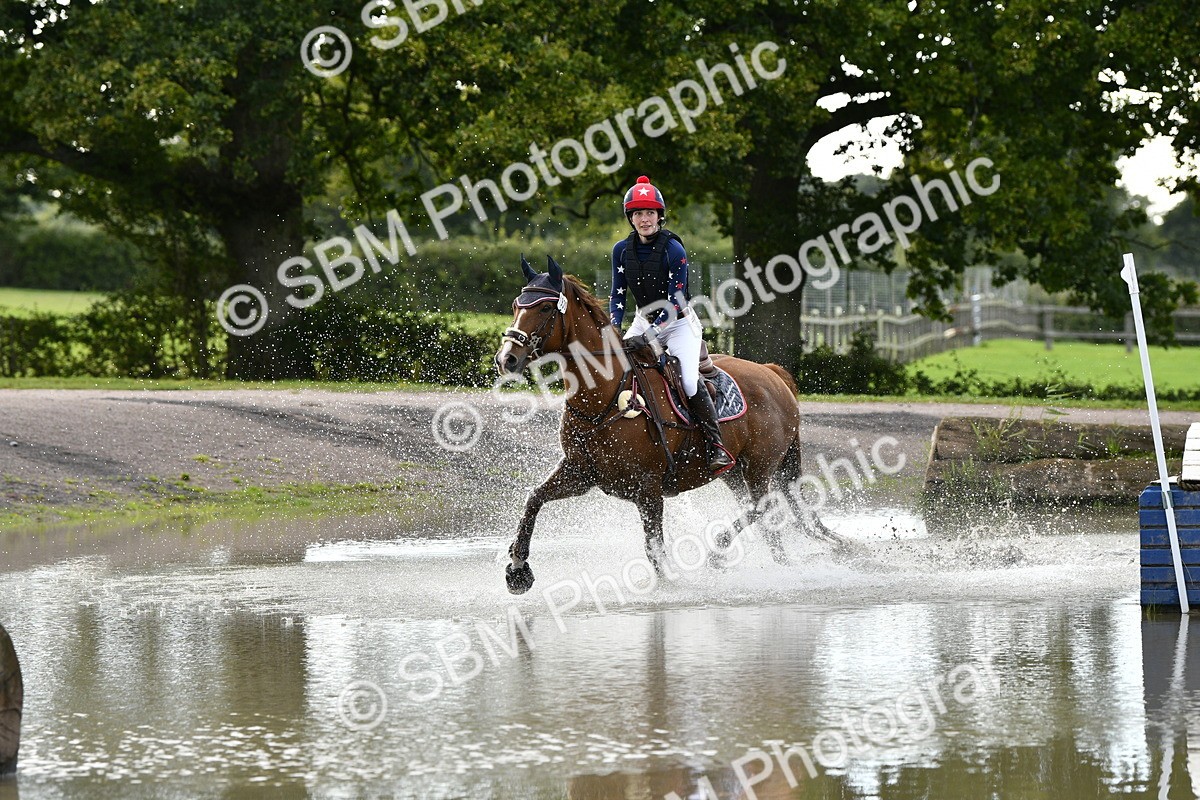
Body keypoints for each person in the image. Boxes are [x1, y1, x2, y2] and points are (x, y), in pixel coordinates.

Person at [610, 175, 734, 471]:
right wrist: (614, 327)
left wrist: (653, 333)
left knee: (689, 382)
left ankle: (715, 444)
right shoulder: (620, 251)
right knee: (617, 370)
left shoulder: (673, 250)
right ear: (631, 217)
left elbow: (676, 302)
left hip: (679, 324)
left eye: (650, 213)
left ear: (659, 216)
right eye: (638, 213)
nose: (644, 219)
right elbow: (617, 294)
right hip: (643, 320)